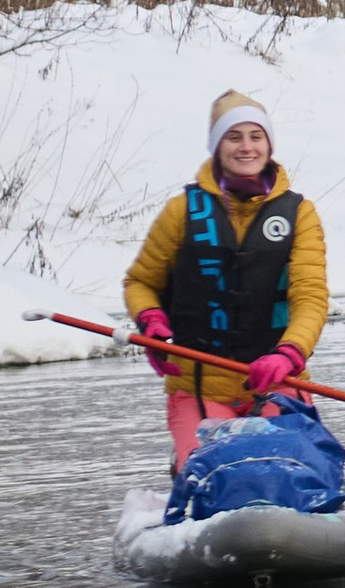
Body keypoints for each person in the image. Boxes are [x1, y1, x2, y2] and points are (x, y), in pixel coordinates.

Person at [123, 89, 332, 472]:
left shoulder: (300, 213)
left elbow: (311, 298)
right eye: (233, 137)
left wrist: (288, 353)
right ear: (217, 146)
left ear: (269, 144)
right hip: (199, 388)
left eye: (256, 136)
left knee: (287, 475)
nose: (246, 148)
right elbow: (140, 282)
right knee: (217, 478)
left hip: (279, 382)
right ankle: (186, 464)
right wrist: (150, 321)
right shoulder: (181, 212)